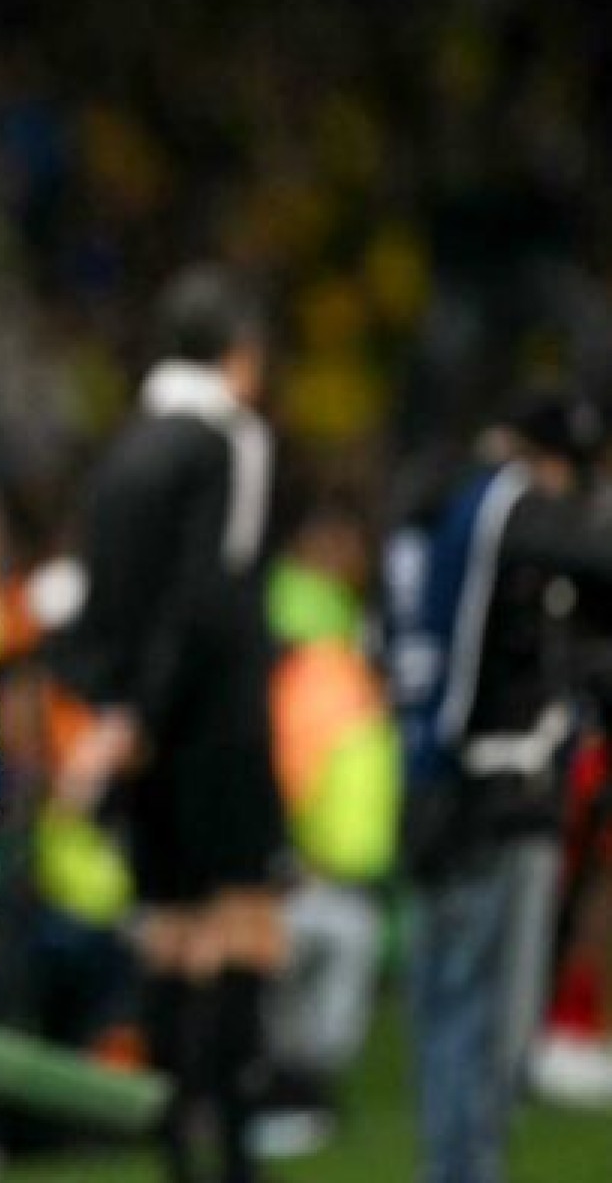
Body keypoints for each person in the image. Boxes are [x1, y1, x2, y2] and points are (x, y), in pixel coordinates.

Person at [48, 265, 289, 1183]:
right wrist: (156, 706)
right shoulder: (231, 442)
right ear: (240, 353)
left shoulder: (127, 447)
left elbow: (101, 596)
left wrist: (116, 715)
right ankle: (231, 1152)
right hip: (212, 719)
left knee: (169, 934)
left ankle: (173, 1153)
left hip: (139, 724)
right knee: (244, 927)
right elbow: (207, 597)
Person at [384, 391, 612, 1183]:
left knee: (457, 1013)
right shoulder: (501, 504)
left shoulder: (432, 506)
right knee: (482, 1024)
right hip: (484, 787)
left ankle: (457, 1167)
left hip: (441, 780)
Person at [256, 493, 400, 1157]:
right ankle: (289, 1097)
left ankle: (301, 1097)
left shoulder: (336, 625)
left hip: (341, 850)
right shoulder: (297, 622)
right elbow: (287, 741)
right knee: (300, 991)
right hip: (307, 851)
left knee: (326, 993)